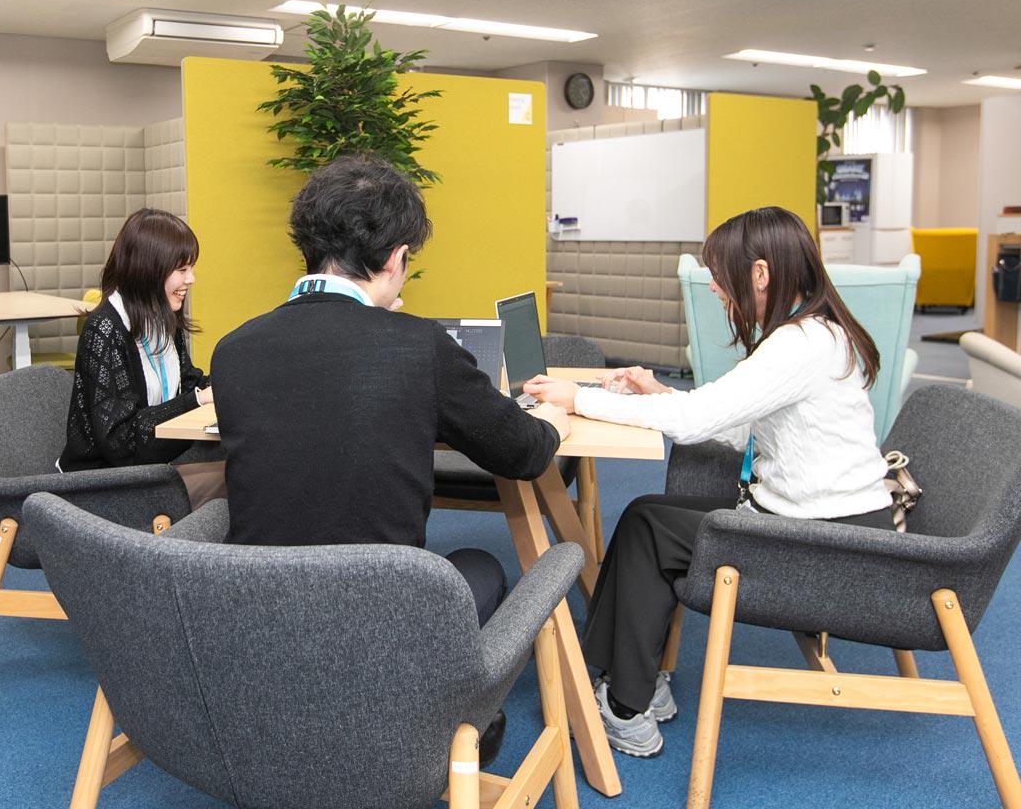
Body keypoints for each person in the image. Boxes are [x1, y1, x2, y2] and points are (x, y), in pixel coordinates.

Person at [209, 153, 571, 765]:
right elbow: (521, 452)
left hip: (261, 633)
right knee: (481, 566)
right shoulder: (418, 346)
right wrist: (553, 422)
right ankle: (443, 719)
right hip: (382, 634)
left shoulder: (233, 350)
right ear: (397, 259)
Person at [523, 206, 894, 759]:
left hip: (827, 543)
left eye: (721, 275)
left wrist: (577, 399)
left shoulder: (799, 344)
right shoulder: (817, 332)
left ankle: (624, 703)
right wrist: (662, 395)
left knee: (648, 526)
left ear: (760, 273)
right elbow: (743, 425)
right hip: (832, 522)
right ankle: (633, 681)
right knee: (650, 517)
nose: (716, 288)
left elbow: (697, 423)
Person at [59, 208, 225, 509]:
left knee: (243, 462)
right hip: (104, 485)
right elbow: (121, 444)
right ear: (149, 270)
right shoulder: (105, 330)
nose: (191, 279)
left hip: (152, 467)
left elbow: (188, 382)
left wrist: (234, 381)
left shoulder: (162, 319)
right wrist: (196, 400)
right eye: (182, 269)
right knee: (238, 479)